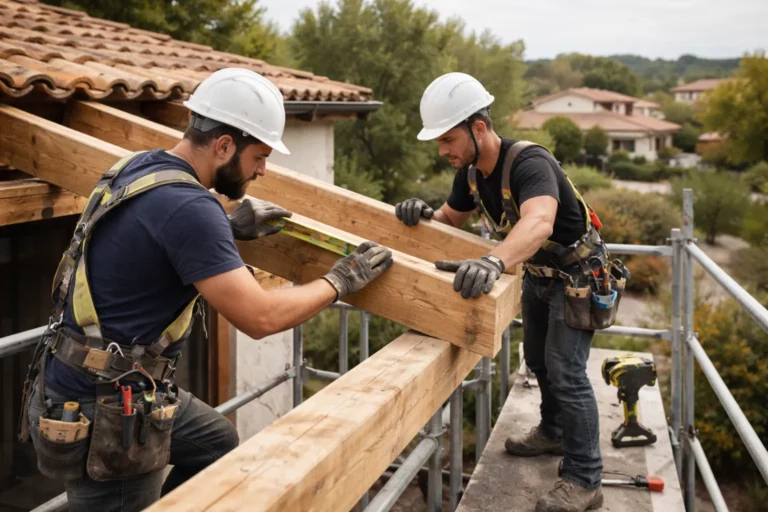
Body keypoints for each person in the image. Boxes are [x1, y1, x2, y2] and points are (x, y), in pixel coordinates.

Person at [19, 68, 393, 512]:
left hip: (71, 379)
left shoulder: (138, 166)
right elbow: (260, 317)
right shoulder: (192, 209)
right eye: (259, 156)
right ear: (224, 145)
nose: (263, 169)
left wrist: (227, 229)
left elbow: (151, 237)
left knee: (216, 440)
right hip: (105, 408)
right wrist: (339, 281)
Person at [396, 72, 614, 512]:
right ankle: (553, 432)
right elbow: (448, 220)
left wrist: (494, 261)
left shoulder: (529, 163)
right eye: (438, 142)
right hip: (537, 274)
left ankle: (585, 478)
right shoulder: (473, 173)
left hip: (577, 276)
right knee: (537, 360)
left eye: (448, 139)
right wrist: (419, 214)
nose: (442, 151)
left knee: (568, 373)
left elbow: (539, 223)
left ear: (479, 128)